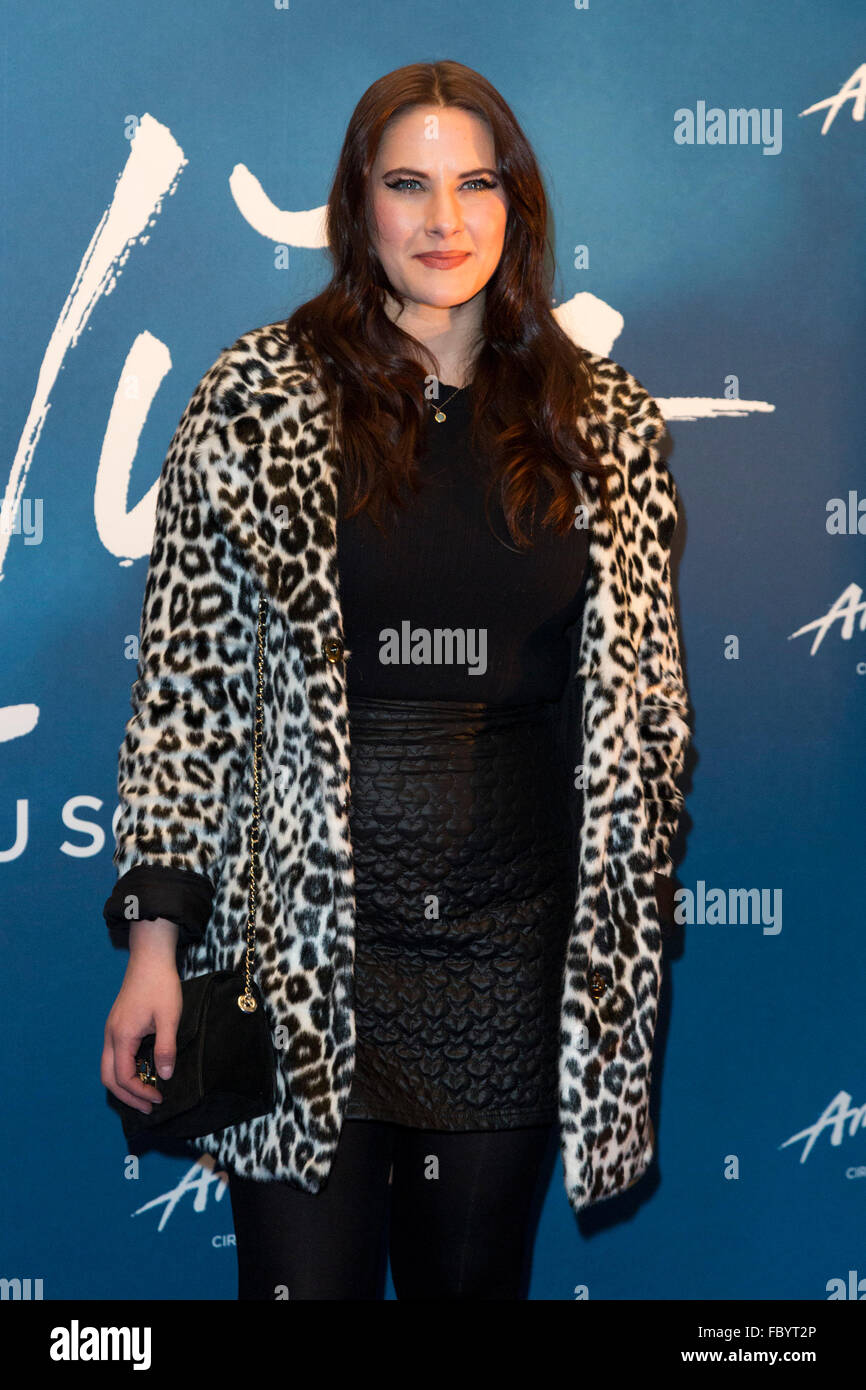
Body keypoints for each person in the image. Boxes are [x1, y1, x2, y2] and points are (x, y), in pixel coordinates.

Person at [101, 59, 690, 1300]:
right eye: (406, 184)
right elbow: (186, 699)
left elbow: (644, 720)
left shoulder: (607, 429)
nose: (442, 221)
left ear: (516, 206)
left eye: (475, 184)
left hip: (512, 955)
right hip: (302, 946)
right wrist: (157, 937)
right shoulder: (252, 403)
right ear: (355, 204)